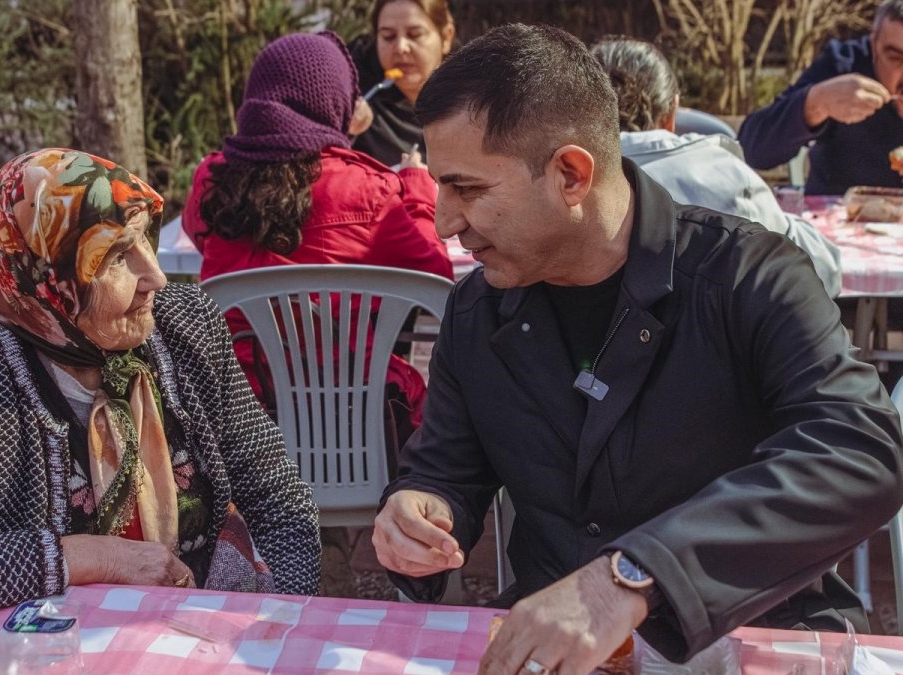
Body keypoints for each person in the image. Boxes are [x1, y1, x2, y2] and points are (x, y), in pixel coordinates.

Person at [371, 23, 903, 674]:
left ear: (571, 173)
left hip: (755, 643)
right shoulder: (477, 310)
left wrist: (633, 575)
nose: (444, 222)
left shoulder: (746, 273)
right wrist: (418, 512)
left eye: (468, 189)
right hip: (559, 654)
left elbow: (863, 449)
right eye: (441, 188)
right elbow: (445, 471)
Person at [0, 148, 321, 638]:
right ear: (43, 278)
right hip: (39, 646)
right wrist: (78, 557)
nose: (156, 277)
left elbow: (280, 501)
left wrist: (272, 626)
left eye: (145, 240)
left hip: (197, 632)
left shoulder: (183, 325)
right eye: (117, 256)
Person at [182, 31, 452, 446]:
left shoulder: (212, 180)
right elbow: (435, 272)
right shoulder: (373, 190)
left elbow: (201, 237)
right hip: (357, 420)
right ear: (336, 104)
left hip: (241, 421)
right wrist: (415, 182)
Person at [592, 38, 842, 297]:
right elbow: (822, 273)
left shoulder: (561, 180)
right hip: (716, 334)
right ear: (672, 113)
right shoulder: (723, 174)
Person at [739, 0, 903, 194]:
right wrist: (814, 105)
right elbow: (750, 150)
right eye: (896, 58)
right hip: (838, 218)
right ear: (874, 44)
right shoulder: (843, 66)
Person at [348, 0, 455, 165]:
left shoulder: (475, 99)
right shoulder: (354, 90)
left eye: (414, 35)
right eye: (388, 37)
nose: (400, 47)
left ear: (446, 37)